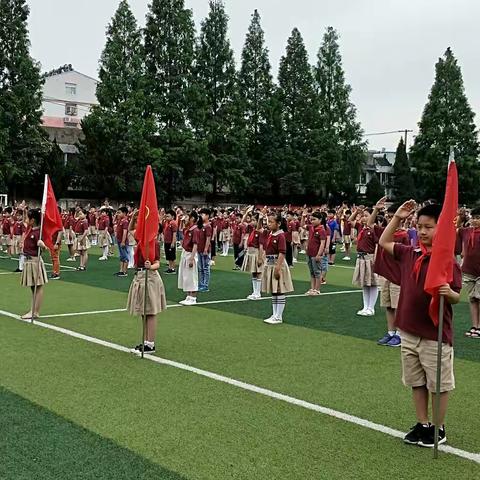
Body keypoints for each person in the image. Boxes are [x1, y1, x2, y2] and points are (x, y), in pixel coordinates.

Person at [379, 201, 461, 447]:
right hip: (409, 331)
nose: (423, 232)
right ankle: (422, 422)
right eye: (420, 227)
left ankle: (438, 426)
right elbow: (384, 242)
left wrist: (448, 292)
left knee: (438, 384)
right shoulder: (409, 253)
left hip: (433, 334)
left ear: (441, 229)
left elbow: (456, 297)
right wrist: (398, 219)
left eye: (429, 227)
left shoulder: (446, 261)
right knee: (416, 381)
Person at [372, 199, 409, 347]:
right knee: (388, 305)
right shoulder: (384, 232)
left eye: (393, 216)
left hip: (398, 276)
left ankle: (400, 334)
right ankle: (391, 331)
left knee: (398, 305)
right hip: (386, 275)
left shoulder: (403, 235)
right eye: (388, 216)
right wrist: (376, 209)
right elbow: (368, 225)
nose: (390, 219)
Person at [128, 238, 167, 355]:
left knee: (150, 311)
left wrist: (150, 266)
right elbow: (132, 230)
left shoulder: (153, 243)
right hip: (140, 275)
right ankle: (145, 341)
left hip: (149, 277)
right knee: (143, 311)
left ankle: (150, 343)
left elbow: (157, 263)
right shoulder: (141, 242)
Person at [261, 213, 294, 325]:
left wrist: (278, 268)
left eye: (271, 222)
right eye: (268, 221)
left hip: (277, 263)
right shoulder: (270, 234)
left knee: (279, 290)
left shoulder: (280, 236)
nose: (268, 224)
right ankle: (274, 314)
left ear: (278, 223)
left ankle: (278, 316)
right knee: (274, 290)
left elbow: (282, 252)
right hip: (270, 263)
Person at [350, 206, 380, 316]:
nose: (363, 218)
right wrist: (356, 212)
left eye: (366, 216)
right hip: (361, 257)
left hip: (370, 257)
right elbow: (350, 221)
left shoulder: (374, 229)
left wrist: (376, 259)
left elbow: (377, 245)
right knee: (364, 283)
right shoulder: (361, 228)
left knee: (372, 283)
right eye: (363, 215)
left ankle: (371, 308)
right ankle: (365, 306)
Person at [20, 209, 48, 319]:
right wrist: (23, 210)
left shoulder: (38, 233)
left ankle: (35, 311)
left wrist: (43, 245)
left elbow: (44, 249)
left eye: (28, 218)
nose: (26, 220)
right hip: (28, 261)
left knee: (38, 286)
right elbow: (24, 221)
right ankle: (33, 309)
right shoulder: (30, 229)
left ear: (33, 220)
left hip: (34, 261)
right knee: (33, 287)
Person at [458, 206, 480, 338]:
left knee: (479, 298)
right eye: (474, 218)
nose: (475, 220)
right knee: (472, 298)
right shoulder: (467, 231)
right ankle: (474, 325)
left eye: (478, 218)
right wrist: (460, 215)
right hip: (469, 270)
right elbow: (456, 227)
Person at [302, 211, 327, 295]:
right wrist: (303, 217)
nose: (312, 221)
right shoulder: (311, 227)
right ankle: (312, 288)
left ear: (320, 220)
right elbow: (302, 226)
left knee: (317, 272)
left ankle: (317, 289)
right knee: (312, 272)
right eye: (311, 219)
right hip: (309, 253)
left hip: (316, 254)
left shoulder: (321, 230)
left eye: (314, 219)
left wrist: (319, 254)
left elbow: (322, 243)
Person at [242, 207, 265, 300]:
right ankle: (254, 291)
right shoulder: (252, 229)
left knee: (258, 272)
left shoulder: (260, 231)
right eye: (251, 220)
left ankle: (258, 292)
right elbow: (243, 222)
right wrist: (247, 212)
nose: (251, 222)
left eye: (254, 220)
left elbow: (261, 246)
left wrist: (260, 258)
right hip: (250, 252)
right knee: (253, 273)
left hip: (256, 252)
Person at [178, 211, 200, 305]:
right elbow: (181, 229)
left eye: (187, 217)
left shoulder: (195, 230)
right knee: (185, 275)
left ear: (192, 218)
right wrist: (182, 221)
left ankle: (193, 297)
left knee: (191, 275)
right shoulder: (189, 229)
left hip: (191, 253)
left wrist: (191, 259)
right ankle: (188, 296)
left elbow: (195, 245)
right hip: (185, 252)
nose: (185, 218)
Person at [197, 208, 212, 292]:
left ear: (207, 216)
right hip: (199, 249)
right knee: (200, 268)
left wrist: (206, 249)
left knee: (205, 268)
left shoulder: (208, 226)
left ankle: (205, 285)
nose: (201, 216)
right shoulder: (201, 225)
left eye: (203, 214)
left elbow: (208, 238)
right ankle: (201, 283)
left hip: (204, 249)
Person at [115, 206, 130, 277]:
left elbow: (125, 232)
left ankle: (125, 271)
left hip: (122, 241)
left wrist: (123, 241)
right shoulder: (120, 221)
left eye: (119, 213)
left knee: (125, 256)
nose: (117, 214)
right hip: (119, 240)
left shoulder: (125, 221)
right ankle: (121, 270)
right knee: (121, 256)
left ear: (124, 213)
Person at [162, 209, 178, 274]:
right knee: (168, 255)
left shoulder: (173, 223)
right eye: (166, 216)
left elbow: (174, 233)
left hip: (170, 242)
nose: (166, 218)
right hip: (166, 242)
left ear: (173, 217)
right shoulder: (167, 223)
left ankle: (173, 268)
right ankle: (169, 267)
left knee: (172, 256)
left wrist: (173, 242)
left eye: (168, 216)